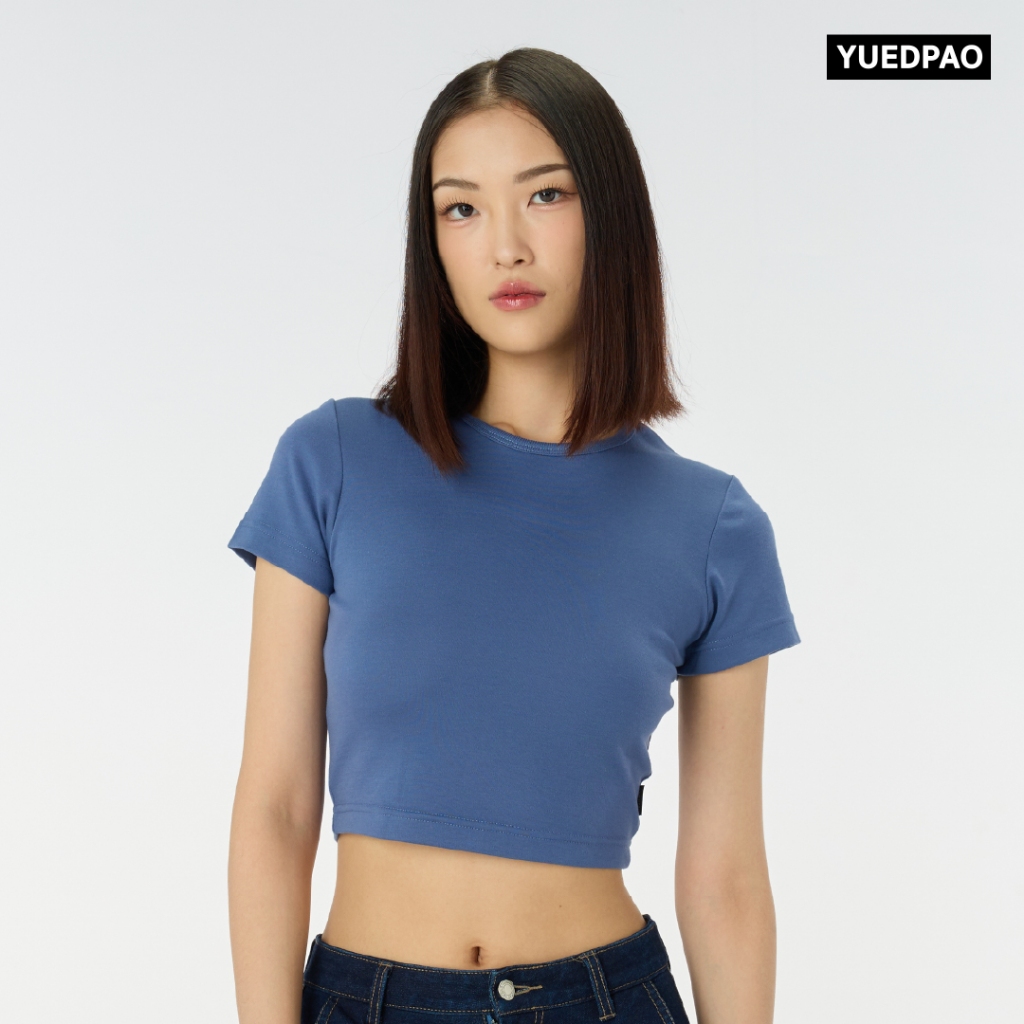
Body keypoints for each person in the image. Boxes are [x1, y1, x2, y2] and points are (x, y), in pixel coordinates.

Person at [226, 48, 799, 1024]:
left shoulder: (714, 526)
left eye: (545, 196)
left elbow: (725, 874)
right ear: (432, 241)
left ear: (609, 214)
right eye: (461, 208)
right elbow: (276, 808)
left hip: (603, 998)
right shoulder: (332, 460)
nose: (505, 246)